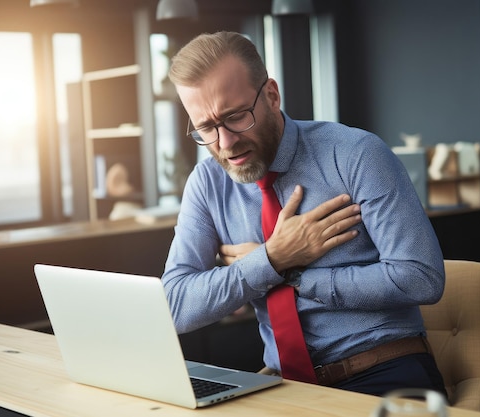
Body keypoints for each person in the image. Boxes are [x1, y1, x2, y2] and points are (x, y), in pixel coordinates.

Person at [162, 31, 447, 397]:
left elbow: (422, 277)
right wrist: (272, 259)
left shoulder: (356, 154)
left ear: (271, 96)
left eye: (236, 117)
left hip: (383, 371)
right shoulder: (207, 184)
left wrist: (294, 274)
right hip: (284, 388)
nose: (225, 142)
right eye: (206, 127)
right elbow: (174, 305)